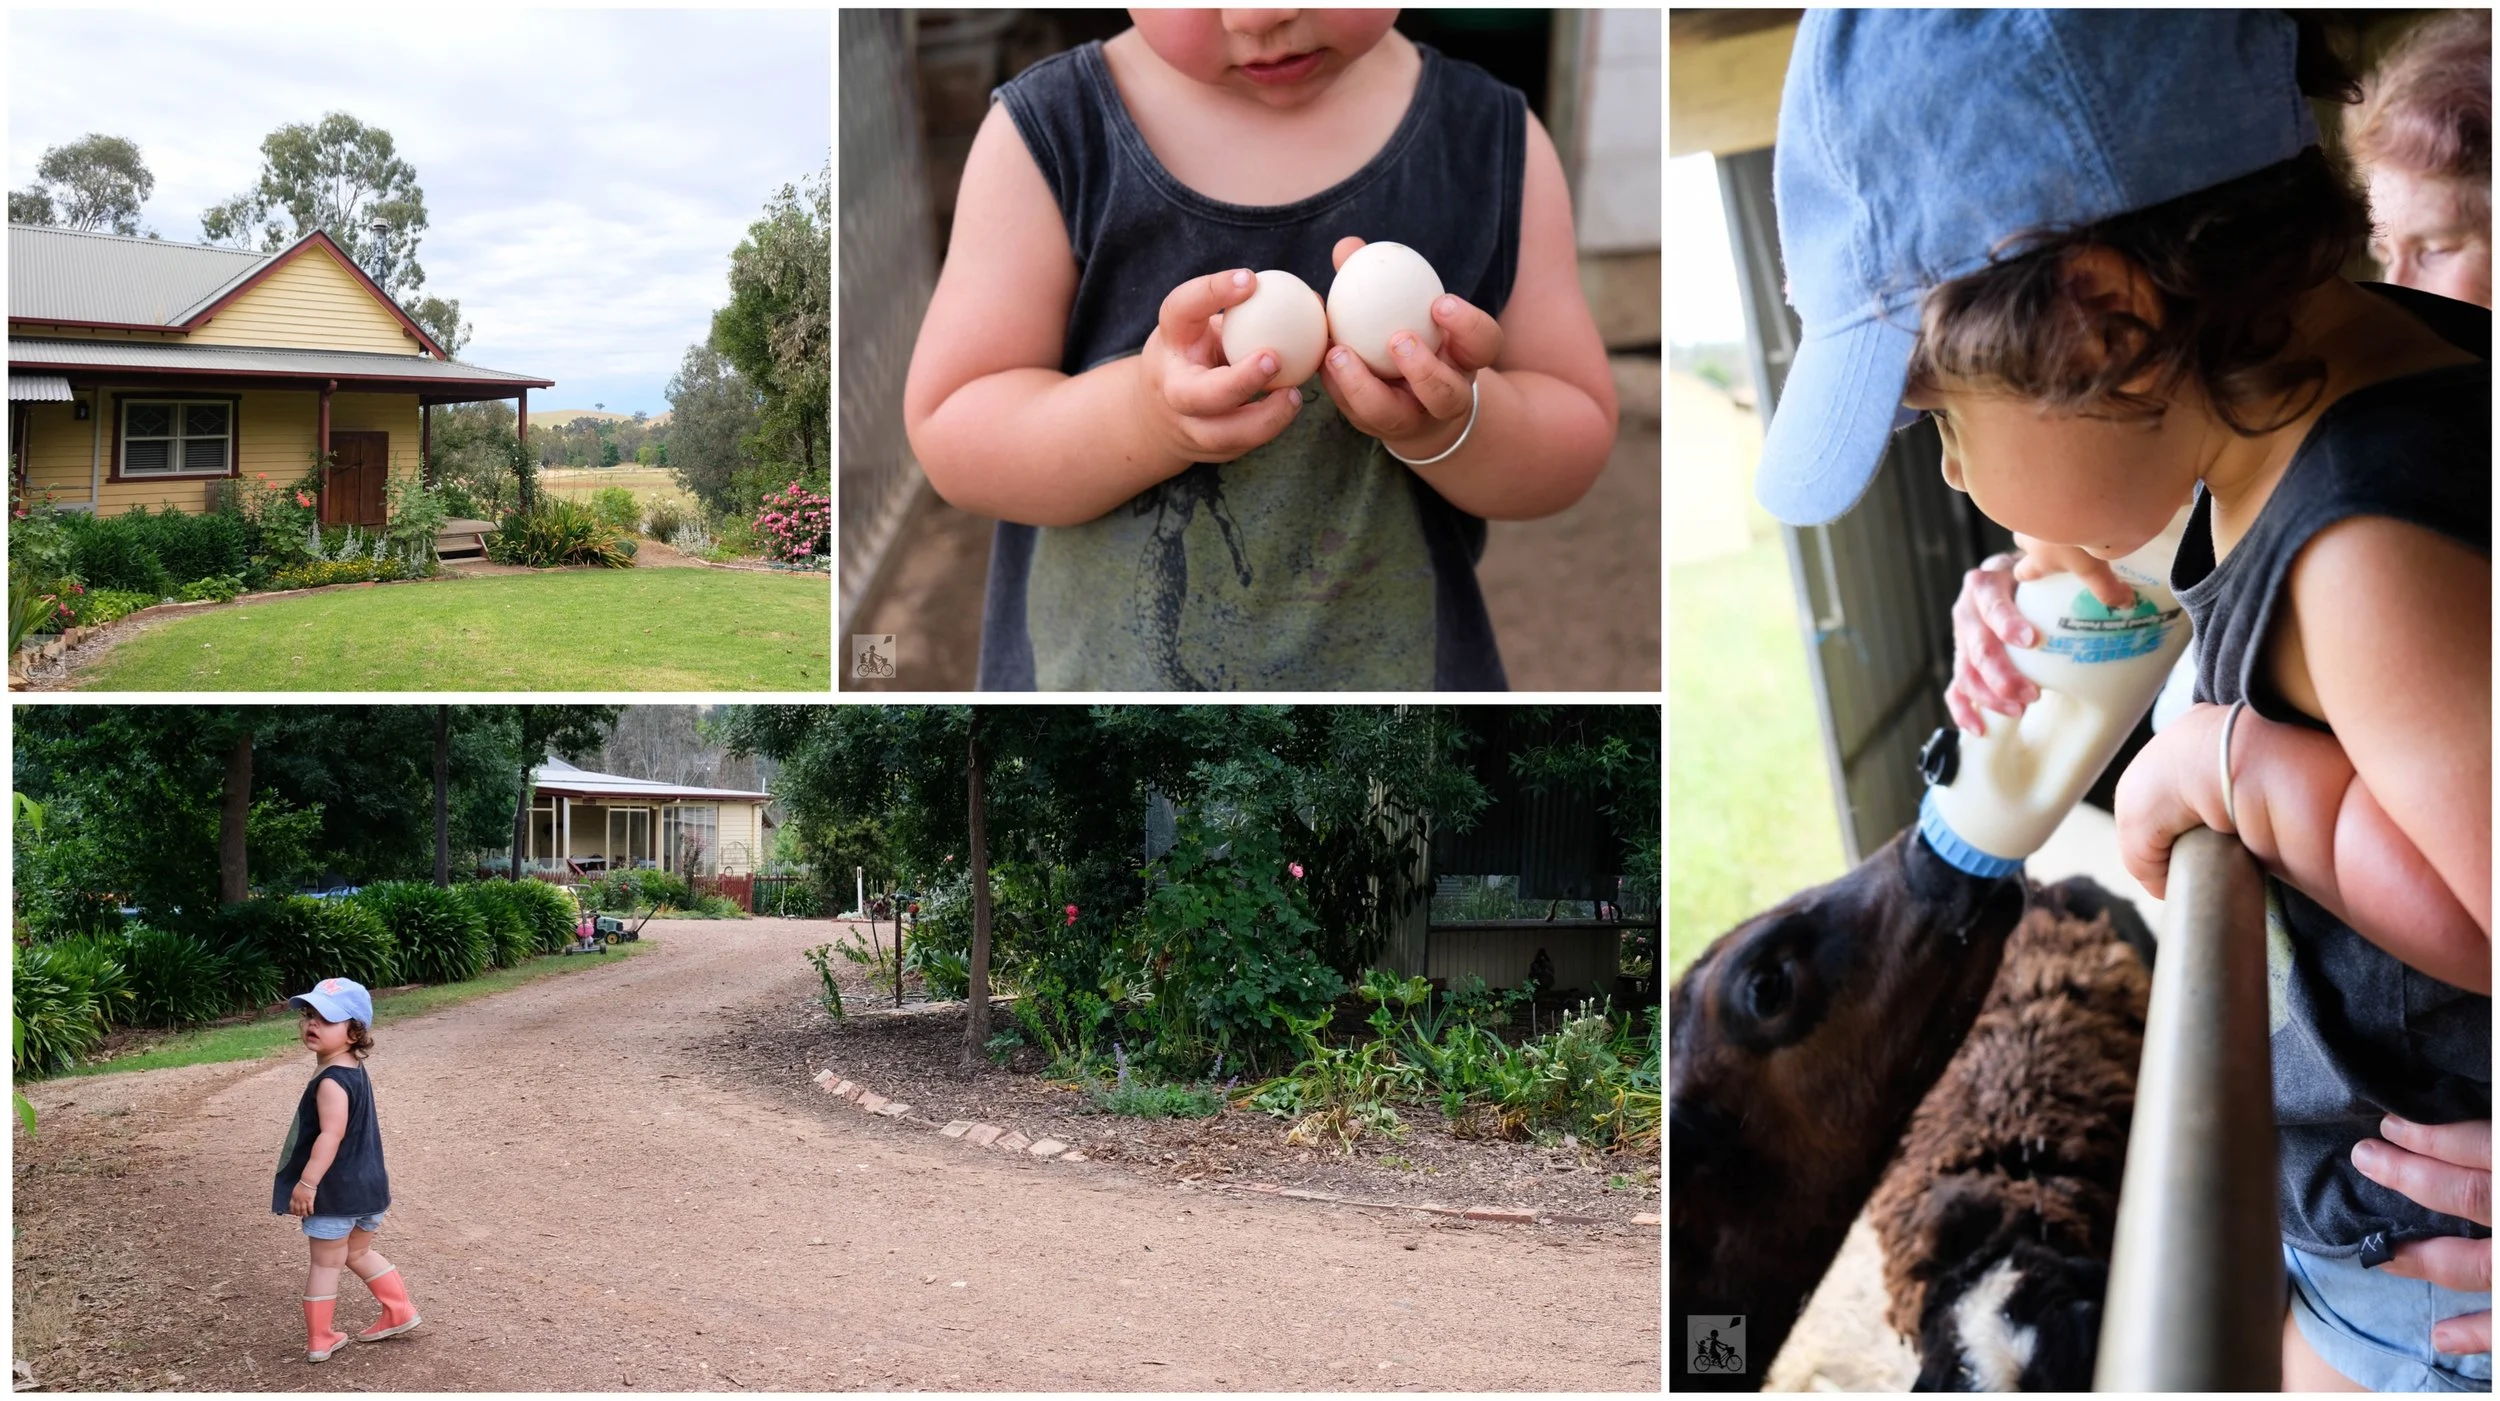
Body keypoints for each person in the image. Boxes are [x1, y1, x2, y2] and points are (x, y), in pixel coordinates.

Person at [1754, 12, 2489, 1390]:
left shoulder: (2370, 563)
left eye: (1943, 419)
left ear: (2105, 322)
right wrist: (2059, 583)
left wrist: (2233, 770)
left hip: (2429, 1295)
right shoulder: (2374, 391)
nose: (1959, 482)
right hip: (2376, 1230)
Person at [903, 9, 1618, 690]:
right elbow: (954, 423)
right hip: (1104, 698)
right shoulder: (1049, 138)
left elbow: (1575, 425)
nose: (1259, 15)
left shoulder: (1493, 142)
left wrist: (1452, 424)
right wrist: (1145, 418)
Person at [274, 978, 420, 1363]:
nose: (312, 1024)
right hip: (370, 1189)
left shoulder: (331, 1082)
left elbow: (330, 1136)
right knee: (358, 1251)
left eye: (327, 1018)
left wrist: (307, 1183)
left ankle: (321, 1337)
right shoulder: (353, 1069)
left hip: (337, 1193)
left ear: (355, 1031)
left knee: (325, 1262)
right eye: (309, 1015)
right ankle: (399, 1310)